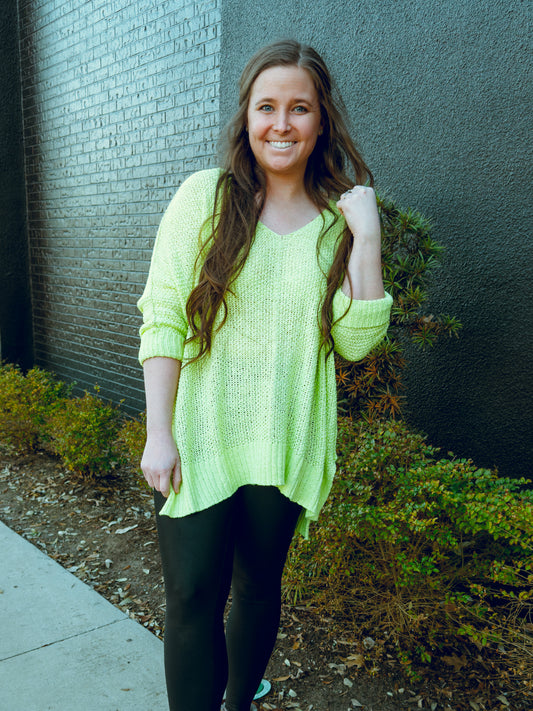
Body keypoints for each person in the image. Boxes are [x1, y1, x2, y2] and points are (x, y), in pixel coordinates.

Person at [137, 38, 393, 711]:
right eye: (267, 106)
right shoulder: (205, 197)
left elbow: (356, 340)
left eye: (298, 108)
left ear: (320, 122)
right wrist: (157, 431)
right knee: (192, 593)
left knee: (256, 588)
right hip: (201, 435)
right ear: (246, 117)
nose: (281, 123)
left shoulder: (336, 222)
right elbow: (162, 315)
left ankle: (239, 702)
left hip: (283, 438)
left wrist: (365, 237)